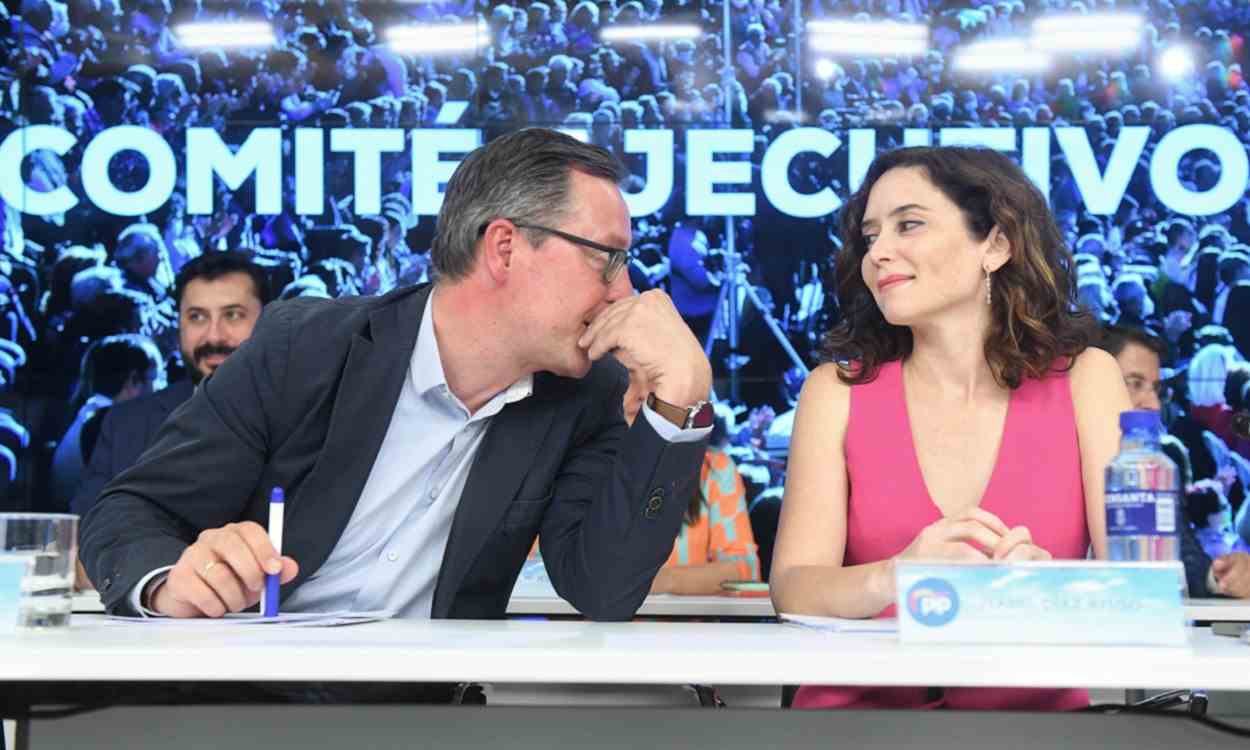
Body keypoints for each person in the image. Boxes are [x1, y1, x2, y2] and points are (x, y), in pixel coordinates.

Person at [81, 130, 713, 639]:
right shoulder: (305, 347)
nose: (625, 291)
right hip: (244, 698)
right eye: (607, 257)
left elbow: (603, 589)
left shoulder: (581, 396)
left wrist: (680, 403)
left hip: (420, 720)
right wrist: (170, 582)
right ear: (505, 248)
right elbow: (127, 512)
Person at [771, 146, 1131, 711]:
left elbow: (1139, 594)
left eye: (908, 225)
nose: (879, 254)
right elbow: (792, 587)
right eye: (869, 237)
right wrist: (896, 576)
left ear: (996, 244)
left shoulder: (1088, 380)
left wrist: (1056, 589)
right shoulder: (835, 391)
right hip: (854, 727)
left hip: (1035, 728)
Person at [70, 251, 268, 520]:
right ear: (179, 326)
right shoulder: (125, 424)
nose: (214, 336)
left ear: (268, 322)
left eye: (233, 315)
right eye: (197, 317)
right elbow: (85, 536)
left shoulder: (308, 423)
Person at [1095, 325, 1250, 598]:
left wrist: (1224, 576)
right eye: (1134, 383)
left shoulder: (1157, 469)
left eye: (1156, 388)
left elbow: (1186, 563)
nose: (1153, 404)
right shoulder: (1050, 461)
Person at [621, 372, 760, 595]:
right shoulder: (579, 466)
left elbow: (744, 572)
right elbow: (544, 569)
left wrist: (656, 582)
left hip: (688, 628)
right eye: (629, 378)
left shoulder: (714, 469)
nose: (643, 394)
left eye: (655, 380)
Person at [49, 333, 165, 512]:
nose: (161, 388)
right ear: (132, 380)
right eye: (156, 378)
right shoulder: (109, 426)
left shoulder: (90, 416)